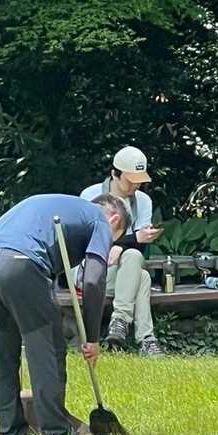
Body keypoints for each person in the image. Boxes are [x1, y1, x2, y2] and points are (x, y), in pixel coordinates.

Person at [0, 193, 129, 435]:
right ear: (115, 219)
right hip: (21, 263)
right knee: (47, 348)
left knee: (1, 353)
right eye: (114, 239)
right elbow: (93, 280)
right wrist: (92, 338)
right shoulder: (99, 220)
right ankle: (57, 434)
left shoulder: (61, 209)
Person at [80, 145, 164, 357]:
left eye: (140, 180)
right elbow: (84, 241)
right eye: (131, 180)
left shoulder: (143, 201)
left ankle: (121, 323)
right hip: (93, 275)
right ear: (115, 174)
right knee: (142, 276)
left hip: (126, 272)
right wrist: (132, 239)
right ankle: (145, 338)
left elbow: (139, 246)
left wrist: (125, 245)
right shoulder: (90, 195)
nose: (137, 185)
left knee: (135, 260)